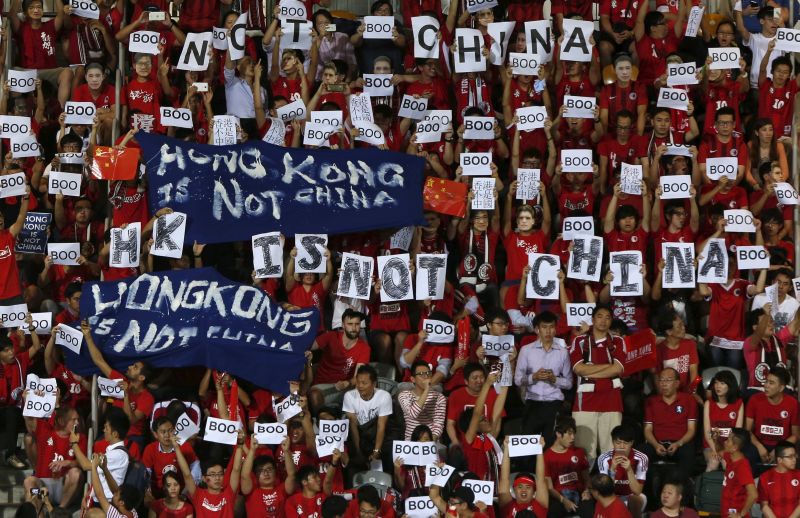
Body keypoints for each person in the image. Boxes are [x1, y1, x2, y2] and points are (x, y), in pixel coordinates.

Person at [81, 320, 154, 449]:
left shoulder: (147, 398)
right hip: (112, 434)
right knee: (96, 446)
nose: (130, 367)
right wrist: (87, 336)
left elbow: (130, 420)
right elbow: (99, 361)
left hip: (131, 438)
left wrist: (125, 395)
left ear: (142, 377)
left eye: (135, 367)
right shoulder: (120, 380)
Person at [569, 306, 626, 460]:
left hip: (612, 400)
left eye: (607, 317)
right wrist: (609, 367)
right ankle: (585, 484)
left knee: (611, 450)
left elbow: (618, 369)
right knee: (584, 452)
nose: (603, 320)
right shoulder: (580, 341)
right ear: (592, 319)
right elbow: (579, 369)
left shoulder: (618, 341)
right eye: (599, 316)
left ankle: (611, 483)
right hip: (585, 402)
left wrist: (591, 369)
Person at [514, 310, 572, 446]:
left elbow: (569, 383)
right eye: (544, 327)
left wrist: (554, 379)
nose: (548, 331)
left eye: (551, 327)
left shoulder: (562, 352)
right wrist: (534, 377)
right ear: (536, 329)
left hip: (554, 403)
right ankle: (528, 467)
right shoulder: (526, 350)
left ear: (555, 329)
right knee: (528, 446)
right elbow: (517, 379)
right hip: (532, 402)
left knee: (551, 444)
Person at [173, 430, 243, 518]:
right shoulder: (198, 495)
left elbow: (236, 469)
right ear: (204, 478)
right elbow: (187, 474)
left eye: (220, 474)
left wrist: (240, 445)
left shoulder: (228, 494)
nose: (217, 478)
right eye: (213, 474)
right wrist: (176, 448)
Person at [643, 367, 697, 476]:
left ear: (677, 383)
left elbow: (691, 429)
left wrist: (678, 443)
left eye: (668, 380)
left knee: (688, 454)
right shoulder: (651, 401)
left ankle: (682, 488)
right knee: (641, 454)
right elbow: (648, 429)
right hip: (657, 444)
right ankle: (644, 491)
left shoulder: (689, 400)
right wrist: (655, 445)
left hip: (680, 443)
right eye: (661, 380)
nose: (663, 384)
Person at [745, 366, 799, 464]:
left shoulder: (793, 403)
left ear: (781, 387)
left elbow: (795, 435)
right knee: (748, 454)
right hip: (758, 443)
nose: (766, 386)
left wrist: (779, 450)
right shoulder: (754, 400)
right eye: (766, 381)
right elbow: (747, 431)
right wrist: (759, 446)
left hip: (782, 445)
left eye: (771, 383)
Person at [342, 364, 392, 469]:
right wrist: (358, 451)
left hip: (377, 436)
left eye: (364, 383)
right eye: (358, 382)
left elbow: (381, 425)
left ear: (374, 384)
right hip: (360, 436)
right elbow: (353, 425)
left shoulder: (384, 396)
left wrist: (376, 451)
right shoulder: (349, 396)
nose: (360, 386)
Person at [596, 424, 648, 518]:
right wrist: (612, 469)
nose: (622, 446)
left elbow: (637, 491)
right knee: (602, 498)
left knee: (635, 499)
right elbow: (604, 490)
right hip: (612, 496)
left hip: (631, 496)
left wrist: (629, 470)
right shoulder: (603, 458)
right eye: (618, 443)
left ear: (632, 443)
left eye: (625, 443)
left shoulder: (641, 458)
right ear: (613, 442)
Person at [544, 416, 591, 517]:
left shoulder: (579, 452)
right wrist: (563, 500)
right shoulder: (546, 456)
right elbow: (549, 487)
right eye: (569, 434)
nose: (573, 437)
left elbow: (587, 479)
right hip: (559, 498)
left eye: (574, 433)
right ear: (558, 434)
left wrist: (587, 491)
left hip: (580, 496)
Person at [498, 436, 549, 516]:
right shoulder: (507, 506)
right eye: (520, 487)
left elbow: (540, 479)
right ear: (514, 489)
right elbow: (504, 478)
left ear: (534, 491)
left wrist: (540, 449)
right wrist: (507, 448)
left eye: (528, 487)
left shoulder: (540, 504)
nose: (524, 490)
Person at [397, 360, 447, 441]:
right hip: (411, 441)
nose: (426, 377)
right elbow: (413, 414)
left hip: (431, 441)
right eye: (421, 374)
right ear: (413, 379)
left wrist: (429, 443)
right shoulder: (404, 395)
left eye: (428, 373)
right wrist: (427, 389)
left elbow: (438, 424)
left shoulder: (439, 397)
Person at [757, 441, 800, 518]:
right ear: (779, 460)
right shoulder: (765, 477)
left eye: (795, 456)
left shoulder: (798, 475)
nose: (794, 459)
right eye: (790, 457)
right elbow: (764, 505)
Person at [721, 428, 758, 518]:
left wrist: (740, 515)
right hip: (726, 511)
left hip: (734, 513)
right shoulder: (730, 456)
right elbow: (719, 451)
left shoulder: (742, 467)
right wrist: (714, 438)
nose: (725, 442)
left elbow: (753, 494)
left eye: (728, 440)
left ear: (734, 448)